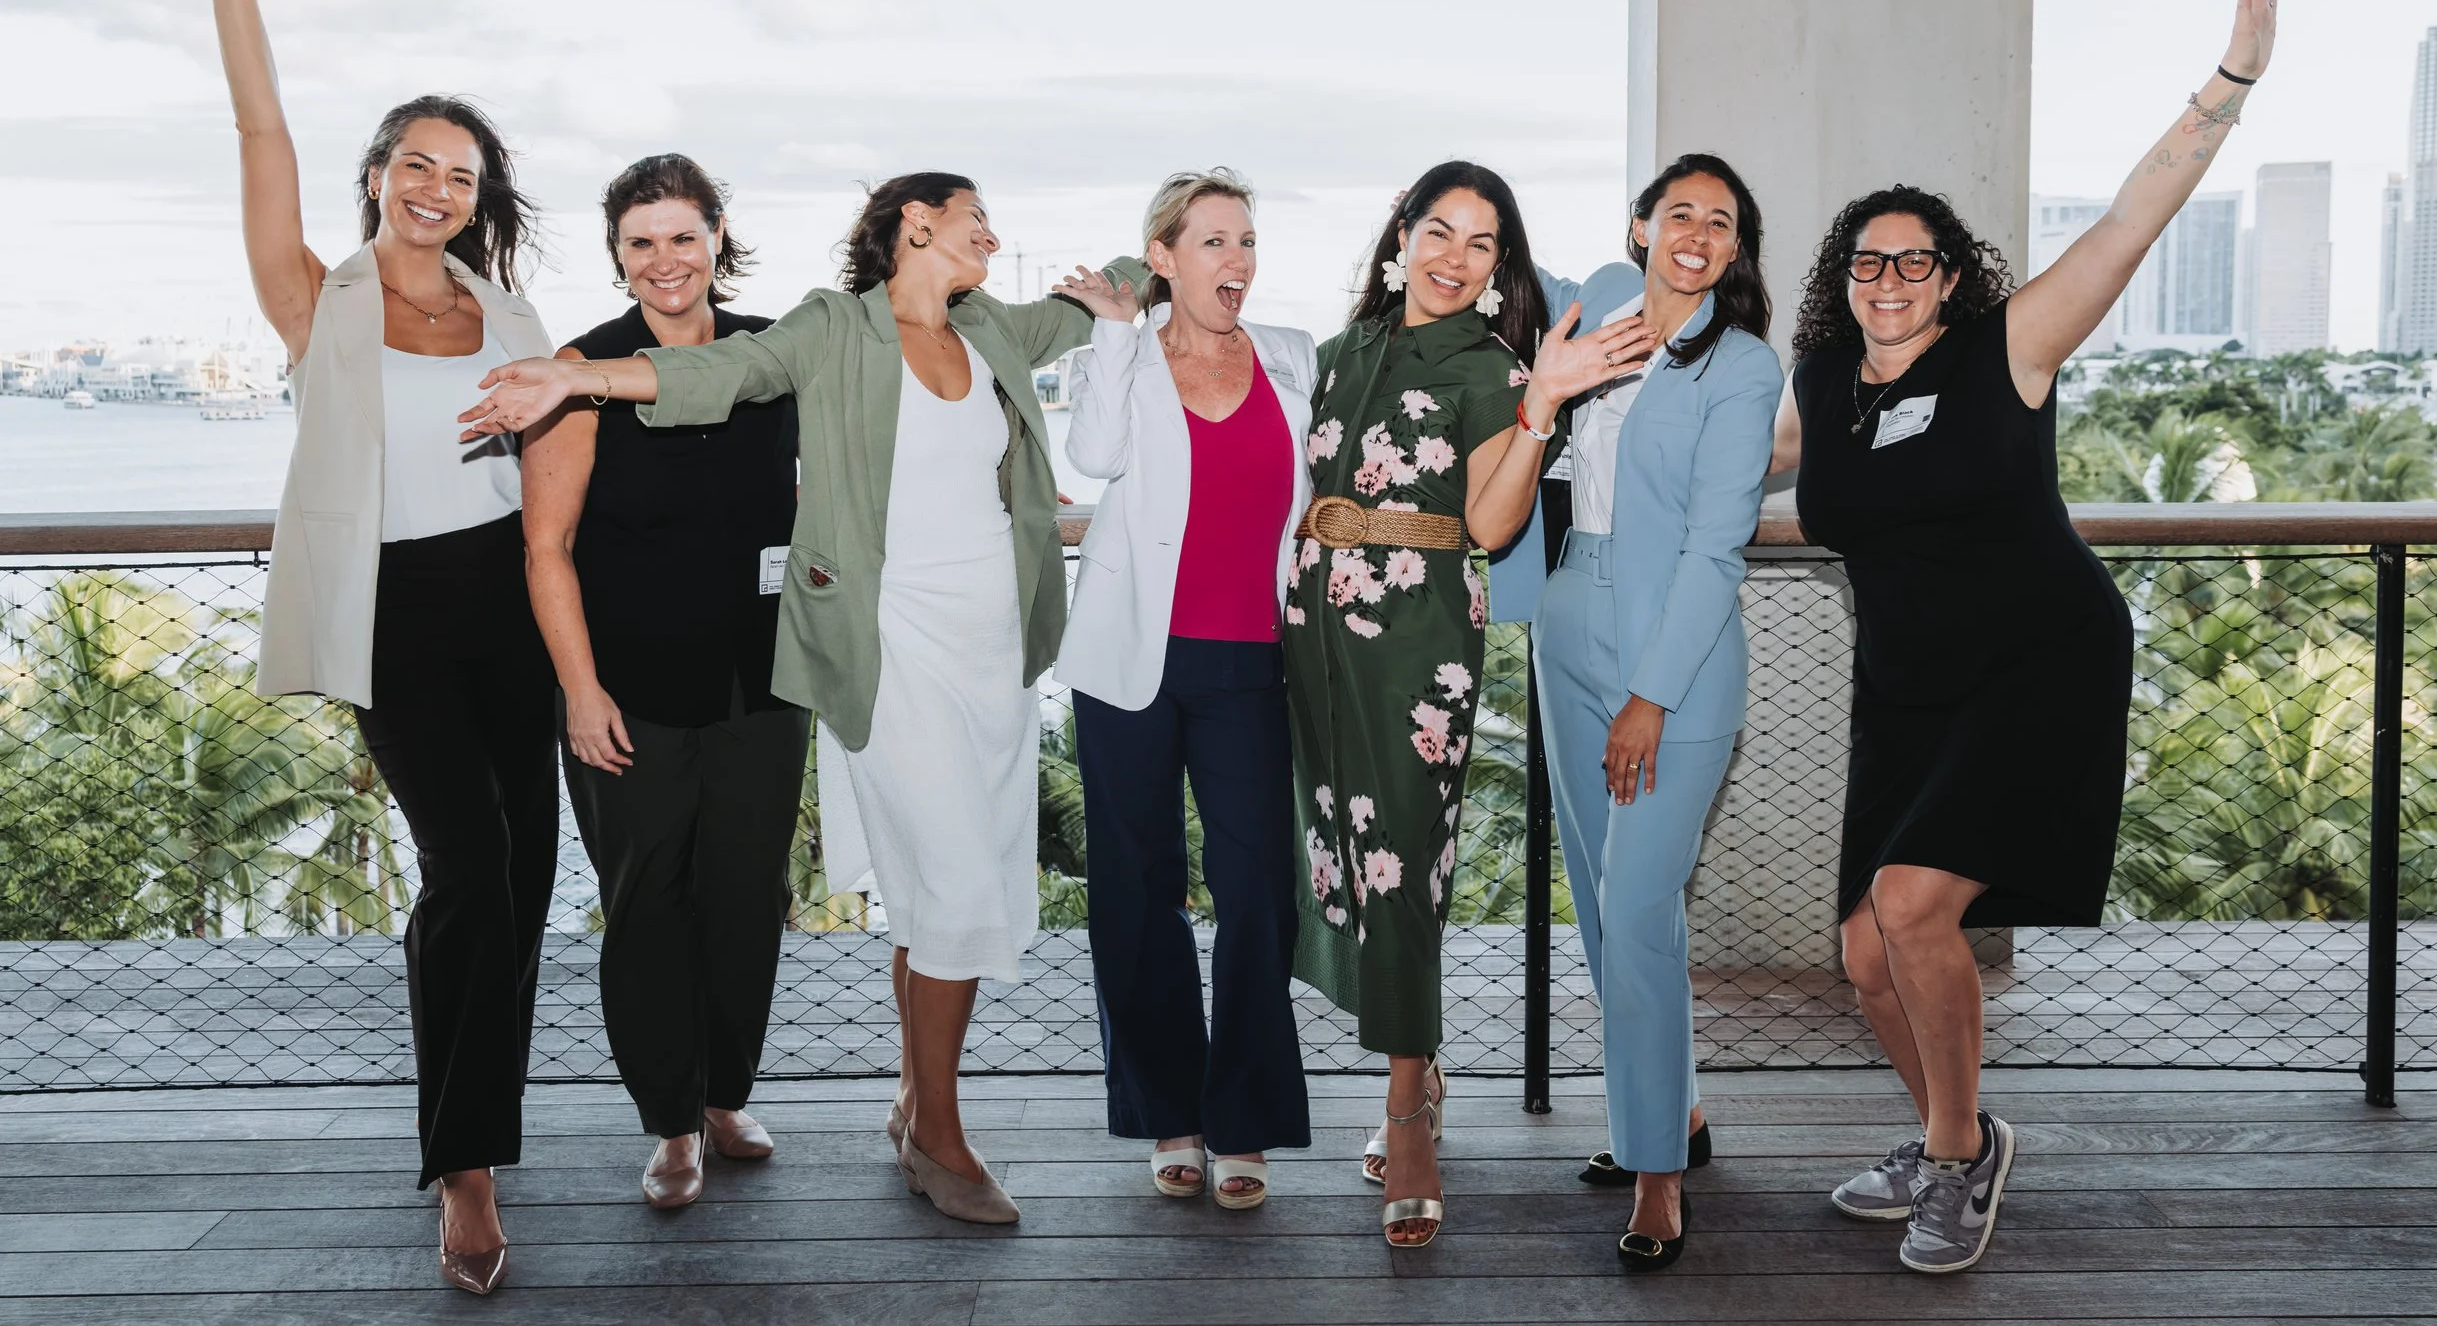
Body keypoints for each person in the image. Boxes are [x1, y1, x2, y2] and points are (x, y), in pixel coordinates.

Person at [460, 174, 1144, 1227]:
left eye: (682, 234)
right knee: (750, 899)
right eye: (975, 223)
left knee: (801, 896)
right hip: (822, 656)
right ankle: (842, 1129)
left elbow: (1081, 312)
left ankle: (840, 1101)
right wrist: (568, 374)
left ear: (715, 238)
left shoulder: (987, 322)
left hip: (895, 659)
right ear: (916, 228)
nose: (993, 239)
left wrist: (1156, 273)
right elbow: (710, 379)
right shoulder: (823, 329)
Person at [1770, 0, 2279, 1276]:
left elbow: (2129, 219)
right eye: (1867, 260)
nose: (1890, 278)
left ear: (1952, 276)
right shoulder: (1821, 388)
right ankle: (1962, 1132)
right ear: (1845, 276)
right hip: (1907, 685)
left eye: (1914, 260)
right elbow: (1701, 468)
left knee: (1912, 907)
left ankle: (1951, 1162)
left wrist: (2227, 84)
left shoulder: (2013, 347)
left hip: (2036, 660)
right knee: (1864, 956)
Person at [183, 0, 555, 1297]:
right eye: (415, 160)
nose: (435, 186)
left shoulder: (515, 321)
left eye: (459, 174)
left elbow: (567, 478)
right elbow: (259, 129)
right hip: (393, 609)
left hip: (505, 607)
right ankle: (459, 1167)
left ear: (478, 199)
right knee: (467, 861)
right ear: (382, 173)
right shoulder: (312, 298)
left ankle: (487, 1130)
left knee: (521, 878)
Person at [1285, 161, 1650, 1248]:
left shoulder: (1493, 365)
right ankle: (1422, 1066)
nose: (1452, 256)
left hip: (1418, 645)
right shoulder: (1340, 353)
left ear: (1500, 266)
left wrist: (1541, 400)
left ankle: (1406, 1111)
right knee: (1346, 855)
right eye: (1437, 230)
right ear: (1400, 233)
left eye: (1480, 242)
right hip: (1313, 639)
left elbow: (1490, 526)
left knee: (1403, 865)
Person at [518, 154, 807, 1211]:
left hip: (764, 682)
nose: (664, 258)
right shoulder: (578, 368)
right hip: (626, 685)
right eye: (641, 241)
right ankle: (672, 1123)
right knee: (648, 902)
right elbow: (546, 548)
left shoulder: (772, 353)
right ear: (618, 256)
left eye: (682, 235)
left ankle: (725, 1091)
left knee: (745, 896)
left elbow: (861, 457)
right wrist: (581, 691)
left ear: (718, 235)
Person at [1515, 155, 1781, 1270]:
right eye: (1680, 211)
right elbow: (1507, 295)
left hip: (1670, 643)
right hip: (1567, 608)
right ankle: (1670, 1112)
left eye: (1720, 222)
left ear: (1732, 249)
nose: (1698, 232)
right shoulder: (1596, 305)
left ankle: (1657, 1177)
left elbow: (1718, 547)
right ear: (1638, 226)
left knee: (1640, 908)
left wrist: (1648, 696)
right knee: (1597, 898)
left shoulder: (1743, 363)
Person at [1055, 170, 1316, 1212]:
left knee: (1256, 889)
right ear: (1163, 256)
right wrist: (1119, 335)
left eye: (1246, 241)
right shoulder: (1114, 356)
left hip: (1249, 655)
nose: (1238, 262)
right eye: (1213, 242)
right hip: (1131, 657)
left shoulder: (1290, 357)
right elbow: (1093, 454)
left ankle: (1244, 1113)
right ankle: (1171, 1108)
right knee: (1136, 886)